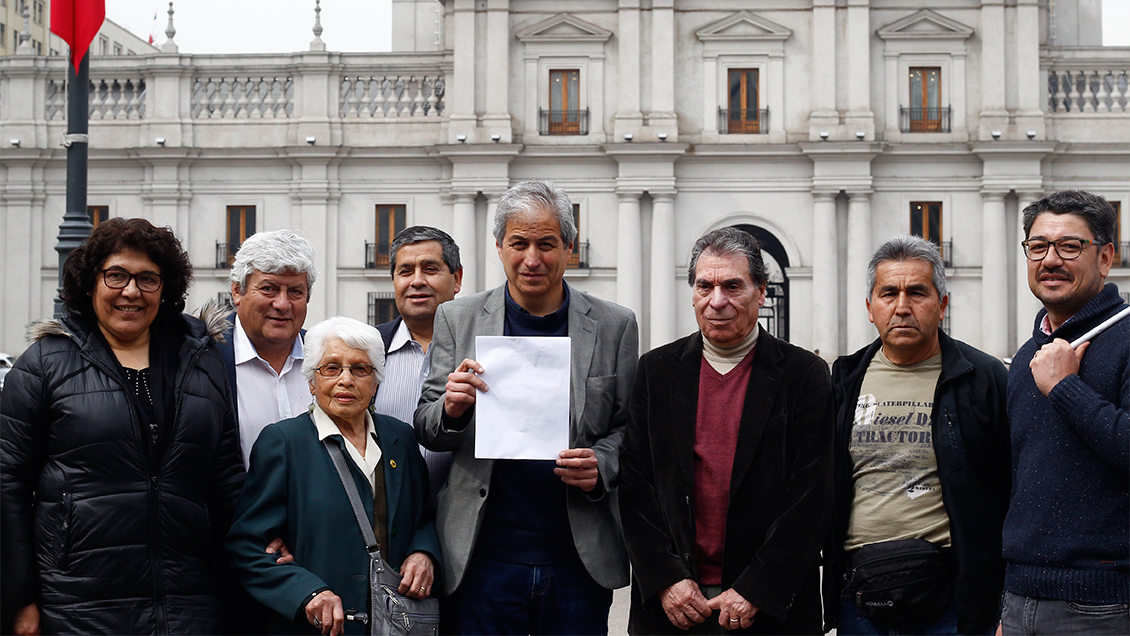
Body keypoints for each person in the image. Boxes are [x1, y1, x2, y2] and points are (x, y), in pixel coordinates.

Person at [0, 218, 244, 635]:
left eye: (147, 278)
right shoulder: (43, 364)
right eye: (116, 275)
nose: (131, 291)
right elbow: (8, 485)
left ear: (164, 288)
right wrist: (19, 599)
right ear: (90, 282)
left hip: (187, 603)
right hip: (76, 604)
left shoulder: (201, 360)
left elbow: (225, 479)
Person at [415, 180, 638, 634]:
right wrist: (453, 409)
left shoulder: (615, 325)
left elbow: (630, 427)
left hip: (578, 559)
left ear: (569, 247)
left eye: (546, 244)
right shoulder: (458, 318)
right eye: (519, 243)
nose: (532, 259)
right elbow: (426, 425)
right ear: (499, 247)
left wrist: (602, 463)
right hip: (482, 560)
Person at [619, 227, 833, 634]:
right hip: (674, 607)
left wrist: (756, 588)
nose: (717, 301)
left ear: (761, 292)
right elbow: (634, 485)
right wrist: (666, 578)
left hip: (769, 610)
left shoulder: (805, 375)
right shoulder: (656, 371)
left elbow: (811, 496)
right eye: (705, 286)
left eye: (733, 286)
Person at [821, 235, 1010, 635]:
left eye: (917, 293)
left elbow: (1012, 489)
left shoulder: (983, 379)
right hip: (861, 599)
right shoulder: (845, 378)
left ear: (942, 306)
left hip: (952, 602)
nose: (902, 307)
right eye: (888, 293)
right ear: (870, 308)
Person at [226, 316, 441, 636]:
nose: (346, 380)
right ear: (311, 382)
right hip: (319, 628)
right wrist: (307, 593)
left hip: (397, 623)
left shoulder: (402, 438)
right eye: (331, 368)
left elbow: (423, 515)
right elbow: (248, 546)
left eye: (360, 369)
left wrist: (425, 554)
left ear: (376, 382)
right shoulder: (284, 442)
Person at [1000, 190, 1129, 635]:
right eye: (1038, 246)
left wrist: (1064, 388)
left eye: (1070, 246)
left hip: (1104, 605)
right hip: (1020, 601)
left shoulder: (1127, 339)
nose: (1050, 259)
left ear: (1105, 256)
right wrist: (1007, 606)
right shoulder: (1026, 358)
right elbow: (1019, 481)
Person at [374, 226, 463, 503]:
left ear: (456, 278)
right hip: (388, 525)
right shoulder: (366, 353)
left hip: (468, 529)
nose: (417, 281)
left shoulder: (483, 353)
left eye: (430, 269)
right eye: (405, 271)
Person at [217, 229, 317, 469]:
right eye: (268, 289)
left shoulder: (325, 359)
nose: (282, 304)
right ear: (236, 291)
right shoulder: (203, 358)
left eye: (295, 291)